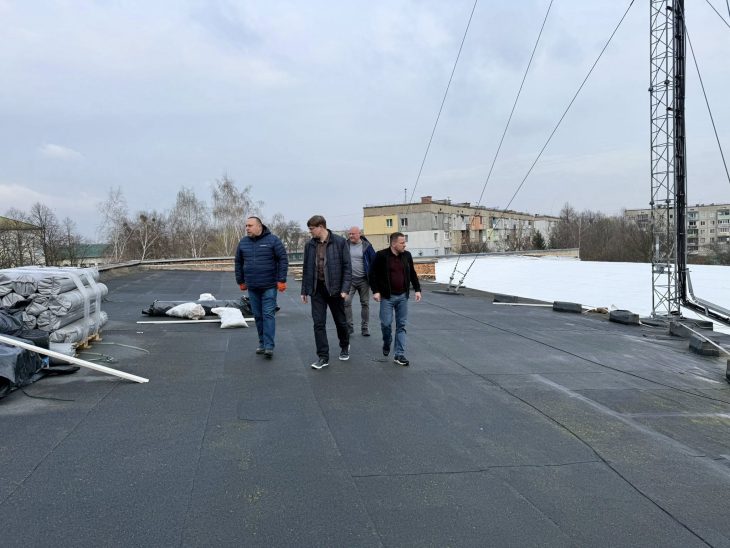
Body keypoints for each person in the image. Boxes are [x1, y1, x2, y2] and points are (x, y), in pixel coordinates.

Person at [300, 215, 351, 370]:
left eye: (311, 229)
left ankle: (344, 345)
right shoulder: (310, 245)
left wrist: (345, 289)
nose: (310, 232)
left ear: (321, 227)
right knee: (318, 323)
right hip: (317, 290)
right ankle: (323, 357)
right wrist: (304, 290)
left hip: (335, 290)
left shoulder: (340, 242)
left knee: (340, 321)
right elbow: (306, 268)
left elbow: (347, 267)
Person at [234, 216, 288, 359]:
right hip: (252, 286)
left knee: (268, 314)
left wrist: (281, 280)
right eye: (246, 226)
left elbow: (283, 259)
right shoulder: (243, 242)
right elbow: (238, 262)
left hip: (269, 286)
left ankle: (269, 346)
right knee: (258, 316)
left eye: (250, 225)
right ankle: (262, 343)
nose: (247, 228)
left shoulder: (273, 240)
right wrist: (240, 281)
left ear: (259, 226)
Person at [368, 232, 422, 367]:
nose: (405, 245)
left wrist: (417, 289)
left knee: (401, 325)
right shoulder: (381, 255)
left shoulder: (407, 255)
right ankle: (387, 341)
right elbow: (372, 274)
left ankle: (399, 354)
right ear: (393, 243)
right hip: (387, 297)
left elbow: (412, 273)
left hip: (403, 296)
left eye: (405, 242)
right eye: (402, 243)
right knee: (386, 324)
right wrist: (376, 291)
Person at [344, 226, 376, 336]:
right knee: (346, 302)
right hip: (349, 280)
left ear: (359, 234)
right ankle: (349, 327)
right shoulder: (345, 245)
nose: (351, 236)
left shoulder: (367, 246)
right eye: (349, 234)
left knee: (365, 303)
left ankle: (365, 328)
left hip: (364, 280)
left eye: (353, 234)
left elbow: (374, 262)